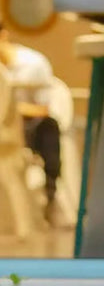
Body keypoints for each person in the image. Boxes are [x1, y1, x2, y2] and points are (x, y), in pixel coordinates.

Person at [0, 16, 62, 222]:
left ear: (3, 35)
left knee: (49, 126)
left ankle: (50, 195)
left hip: (28, 126)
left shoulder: (33, 64)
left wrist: (13, 109)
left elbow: (43, 109)